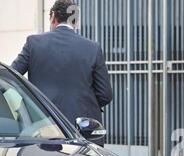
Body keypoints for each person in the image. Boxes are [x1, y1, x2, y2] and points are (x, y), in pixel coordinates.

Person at [11, 0, 112, 145]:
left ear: (52, 16)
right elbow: (105, 95)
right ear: (75, 22)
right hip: (82, 130)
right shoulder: (92, 48)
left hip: (41, 126)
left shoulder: (34, 43)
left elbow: (13, 77)